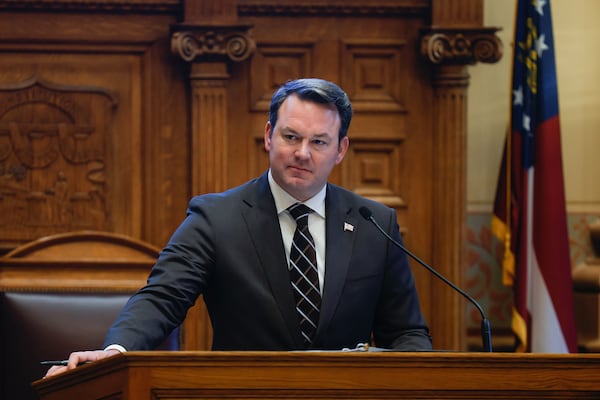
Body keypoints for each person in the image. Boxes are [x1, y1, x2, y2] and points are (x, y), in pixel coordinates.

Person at [45, 77, 431, 377]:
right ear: (268, 136)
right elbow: (162, 298)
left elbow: (407, 334)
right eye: (291, 136)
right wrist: (115, 352)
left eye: (319, 141)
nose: (302, 153)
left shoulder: (374, 223)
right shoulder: (217, 217)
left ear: (340, 150)